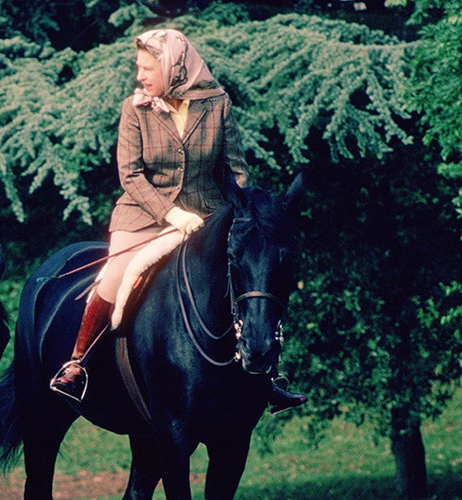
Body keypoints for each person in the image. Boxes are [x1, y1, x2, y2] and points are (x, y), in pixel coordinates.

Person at [49, 28, 306, 413]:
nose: (140, 76)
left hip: (208, 217)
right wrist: (170, 213)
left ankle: (268, 376)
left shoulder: (217, 104)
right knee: (117, 272)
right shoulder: (134, 109)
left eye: (147, 68)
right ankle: (77, 363)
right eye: (139, 68)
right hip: (144, 217)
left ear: (173, 67)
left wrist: (231, 211)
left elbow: (236, 170)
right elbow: (131, 175)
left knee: (252, 275)